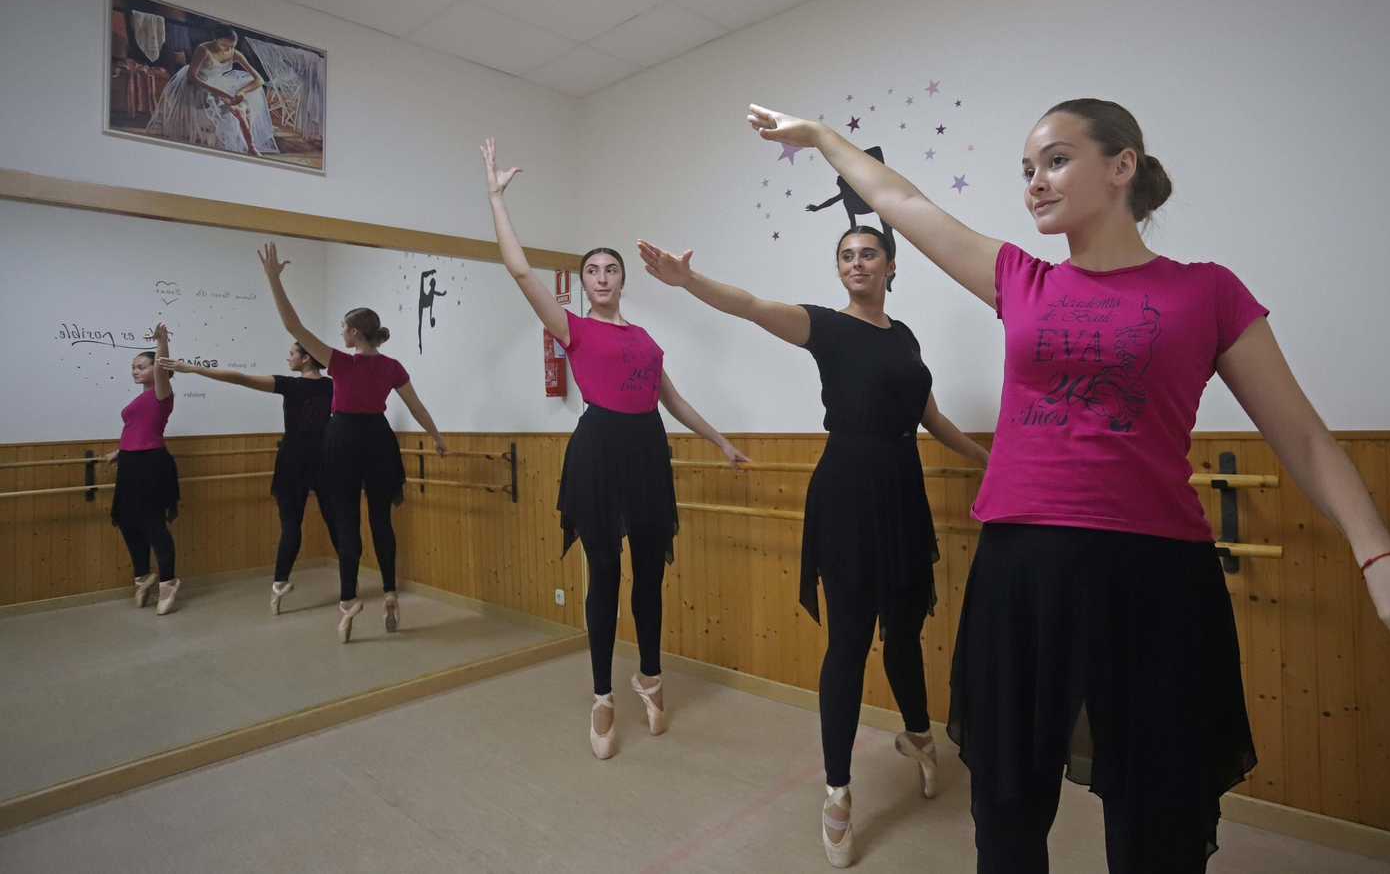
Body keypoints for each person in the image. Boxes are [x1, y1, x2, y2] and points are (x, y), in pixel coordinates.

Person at [746, 99, 1390, 873]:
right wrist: (821, 137)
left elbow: (1305, 437)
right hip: (1021, 573)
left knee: (1157, 825)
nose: (1035, 182)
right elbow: (902, 200)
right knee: (1008, 819)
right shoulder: (1020, 279)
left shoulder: (1207, 291)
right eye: (1027, 169)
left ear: (1122, 166)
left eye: (1055, 160)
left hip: (1155, 579)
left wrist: (1377, 554)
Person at [637, 228, 989, 867]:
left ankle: (918, 735)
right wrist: (688, 281)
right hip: (847, 493)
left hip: (902, 494)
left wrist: (987, 461)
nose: (857, 262)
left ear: (890, 266)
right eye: (846, 255)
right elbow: (750, 305)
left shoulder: (906, 338)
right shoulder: (824, 326)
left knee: (904, 632)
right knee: (849, 642)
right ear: (839, 269)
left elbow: (931, 418)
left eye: (868, 253)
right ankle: (837, 792)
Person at [480, 137, 749, 760]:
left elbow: (671, 400)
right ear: (582, 283)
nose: (602, 278)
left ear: (624, 278)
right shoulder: (571, 327)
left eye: (611, 269)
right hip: (598, 452)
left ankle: (649, 678)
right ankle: (602, 695)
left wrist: (721, 442)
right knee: (604, 575)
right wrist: (496, 198)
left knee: (650, 577)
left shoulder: (647, 339)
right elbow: (520, 270)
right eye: (592, 271)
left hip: (648, 452)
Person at [259, 242, 449, 643]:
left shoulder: (341, 362)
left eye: (344, 328)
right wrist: (436, 437)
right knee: (381, 520)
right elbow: (415, 405)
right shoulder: (392, 366)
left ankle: (348, 603)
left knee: (347, 523)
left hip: (343, 438)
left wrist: (274, 280)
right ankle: (390, 592)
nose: (341, 334)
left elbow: (294, 326)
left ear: (355, 333)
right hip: (378, 438)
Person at [160, 343, 335, 614]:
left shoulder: (291, 384)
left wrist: (193, 369)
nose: (287, 357)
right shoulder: (331, 385)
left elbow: (239, 378)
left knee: (291, 526)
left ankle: (279, 585)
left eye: (292, 353)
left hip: (294, 459)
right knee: (337, 524)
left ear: (306, 358)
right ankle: (350, 585)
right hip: (324, 457)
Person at [109, 322, 181, 615]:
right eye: (133, 367)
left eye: (141, 367)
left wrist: (161, 341)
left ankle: (168, 582)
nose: (135, 371)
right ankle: (143, 575)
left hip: (152, 464)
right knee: (127, 520)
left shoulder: (162, 393)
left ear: (156, 369)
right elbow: (138, 428)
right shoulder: (140, 398)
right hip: (130, 462)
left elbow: (162, 367)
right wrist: (120, 452)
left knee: (153, 524)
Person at [146, 25, 276, 158]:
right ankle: (250, 146)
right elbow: (191, 76)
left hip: (220, 83)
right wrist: (217, 92)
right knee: (231, 107)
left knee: (244, 103)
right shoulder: (204, 50)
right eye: (224, 45)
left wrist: (241, 91)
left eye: (232, 46)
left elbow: (259, 80)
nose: (228, 49)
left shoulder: (234, 53)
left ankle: (251, 145)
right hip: (199, 85)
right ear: (216, 39)